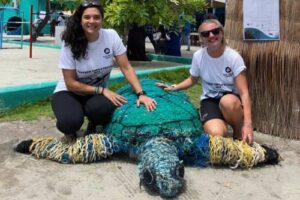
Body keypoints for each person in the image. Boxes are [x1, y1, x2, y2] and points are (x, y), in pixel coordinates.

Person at [51, 1, 157, 142]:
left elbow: (126, 67)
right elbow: (70, 83)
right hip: (70, 92)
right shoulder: (70, 41)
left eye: (96, 17)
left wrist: (141, 94)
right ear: (80, 19)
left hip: (94, 95)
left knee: (106, 108)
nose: (92, 21)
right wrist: (102, 90)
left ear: (102, 19)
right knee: (69, 122)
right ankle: (70, 125)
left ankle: (94, 123)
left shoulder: (111, 36)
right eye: (87, 17)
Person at [156, 19, 253, 145]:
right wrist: (174, 87)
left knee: (228, 101)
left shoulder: (234, 57)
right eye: (206, 34)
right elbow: (192, 79)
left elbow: (244, 93)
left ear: (222, 33)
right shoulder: (198, 56)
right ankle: (220, 124)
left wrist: (248, 124)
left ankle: (238, 131)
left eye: (215, 31)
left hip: (231, 100)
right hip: (210, 100)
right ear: (201, 38)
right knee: (216, 135)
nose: (211, 36)